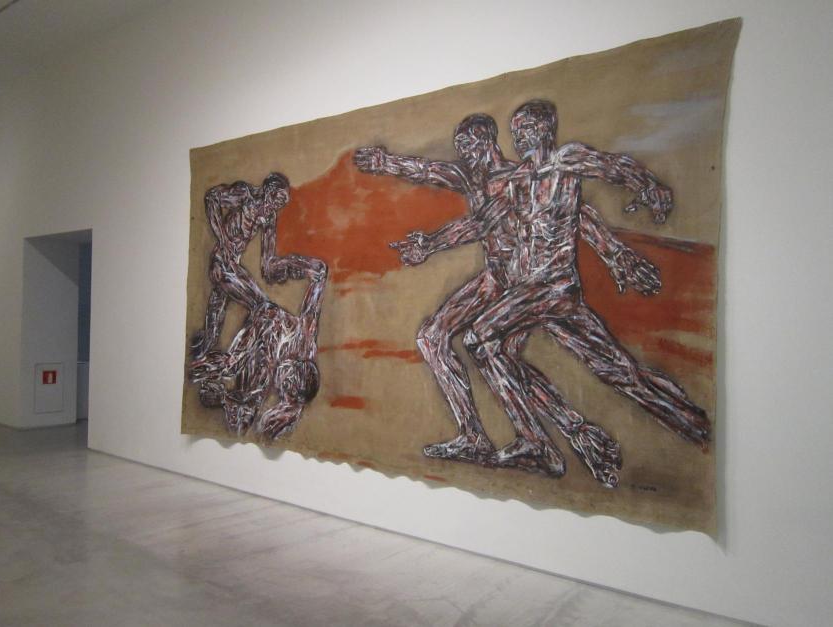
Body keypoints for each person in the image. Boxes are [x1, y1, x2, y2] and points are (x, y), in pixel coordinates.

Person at [398, 101, 709, 474]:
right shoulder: (518, 181)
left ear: (546, 129)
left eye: (527, 128)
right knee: (620, 373)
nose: (520, 137)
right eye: (517, 130)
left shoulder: (566, 160)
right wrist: (430, 244)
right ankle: (692, 422)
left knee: (481, 338)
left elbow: (611, 168)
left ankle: (536, 444)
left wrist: (647, 187)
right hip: (538, 296)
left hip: (553, 288)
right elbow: (480, 224)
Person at [355, 114, 659, 485]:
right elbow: (428, 170)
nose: (464, 154)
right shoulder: (468, 176)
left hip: (521, 284)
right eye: (460, 148)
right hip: (493, 278)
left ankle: (555, 438)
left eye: (469, 146)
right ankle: (474, 436)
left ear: (488, 141)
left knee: (503, 356)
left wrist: (614, 253)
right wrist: (386, 163)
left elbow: (578, 213)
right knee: (432, 337)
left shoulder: (519, 176)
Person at [190, 254, 327, 439]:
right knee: (233, 364)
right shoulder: (305, 339)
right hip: (263, 315)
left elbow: (245, 414)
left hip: (258, 329)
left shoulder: (264, 378)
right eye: (288, 382)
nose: (282, 384)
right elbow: (320, 273)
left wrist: (224, 399)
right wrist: (278, 267)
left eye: (285, 389)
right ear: (299, 365)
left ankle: (213, 368)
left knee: (232, 372)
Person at [191, 172, 306, 361]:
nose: (278, 206)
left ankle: (207, 350)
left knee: (211, 333)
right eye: (278, 200)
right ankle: (238, 358)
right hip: (222, 263)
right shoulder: (245, 195)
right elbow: (211, 198)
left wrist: (288, 268)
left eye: (282, 203)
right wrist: (223, 239)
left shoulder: (269, 218)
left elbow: (267, 264)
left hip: (232, 267)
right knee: (261, 306)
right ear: (269, 191)